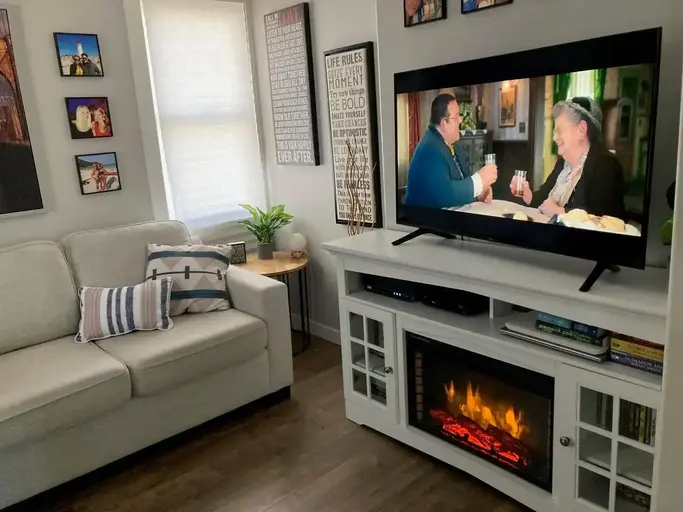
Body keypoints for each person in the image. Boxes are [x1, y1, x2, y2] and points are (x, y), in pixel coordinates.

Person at [510, 96, 625, 219]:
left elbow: (601, 218)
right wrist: (527, 195)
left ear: (582, 129)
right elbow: (543, 200)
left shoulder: (606, 165)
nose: (554, 137)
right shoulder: (562, 165)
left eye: (559, 130)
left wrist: (560, 212)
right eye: (554, 131)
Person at [405, 94, 498, 209]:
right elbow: (445, 194)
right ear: (444, 123)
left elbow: (463, 180)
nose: (460, 120)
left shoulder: (453, 145)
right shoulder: (429, 149)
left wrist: (479, 193)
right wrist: (479, 180)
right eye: (456, 116)